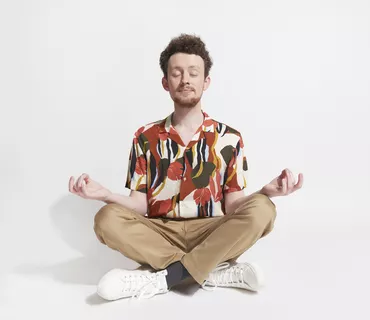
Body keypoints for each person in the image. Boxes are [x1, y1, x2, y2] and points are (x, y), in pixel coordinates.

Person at [69, 33, 303, 301]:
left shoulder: (229, 138)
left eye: (193, 73)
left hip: (212, 230)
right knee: (106, 219)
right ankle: (208, 271)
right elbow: (140, 205)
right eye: (177, 73)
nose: (186, 80)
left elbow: (233, 205)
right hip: (160, 231)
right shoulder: (145, 137)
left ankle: (166, 276)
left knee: (264, 209)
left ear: (206, 81)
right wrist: (104, 195)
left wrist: (265, 191)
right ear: (165, 83)